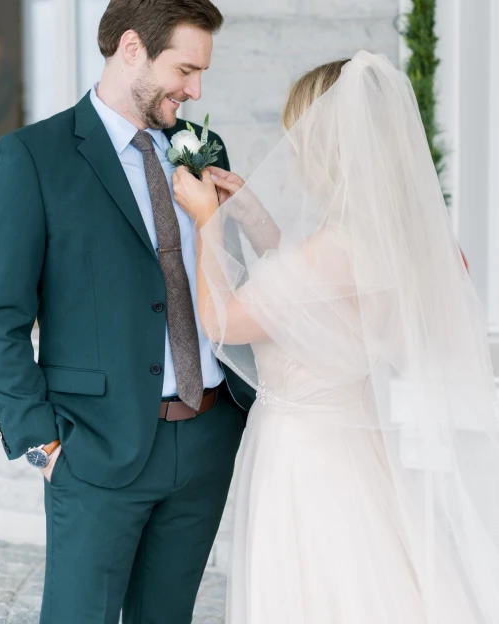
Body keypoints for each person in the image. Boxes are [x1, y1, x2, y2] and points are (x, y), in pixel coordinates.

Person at [0, 0, 254, 624]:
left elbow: (228, 283)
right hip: (95, 448)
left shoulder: (201, 153)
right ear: (132, 48)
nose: (197, 91)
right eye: (185, 69)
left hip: (207, 433)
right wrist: (42, 444)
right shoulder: (33, 157)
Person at [173, 51, 499, 623]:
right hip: (352, 446)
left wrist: (207, 224)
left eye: (298, 139)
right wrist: (254, 219)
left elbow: (225, 321)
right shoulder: (395, 240)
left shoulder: (332, 249)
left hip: (307, 461)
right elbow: (311, 308)